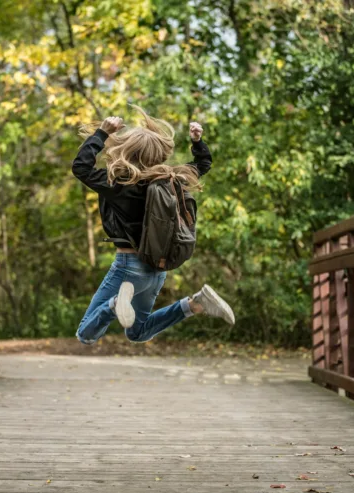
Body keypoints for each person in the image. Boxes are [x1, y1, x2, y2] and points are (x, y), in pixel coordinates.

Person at [72, 106, 235, 345]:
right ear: (158, 153)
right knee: (137, 333)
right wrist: (197, 142)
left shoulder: (118, 183)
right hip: (156, 270)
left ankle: (115, 304)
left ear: (126, 150)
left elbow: (81, 167)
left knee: (85, 334)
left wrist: (102, 133)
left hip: (128, 268)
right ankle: (195, 304)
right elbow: (202, 165)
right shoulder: (171, 180)